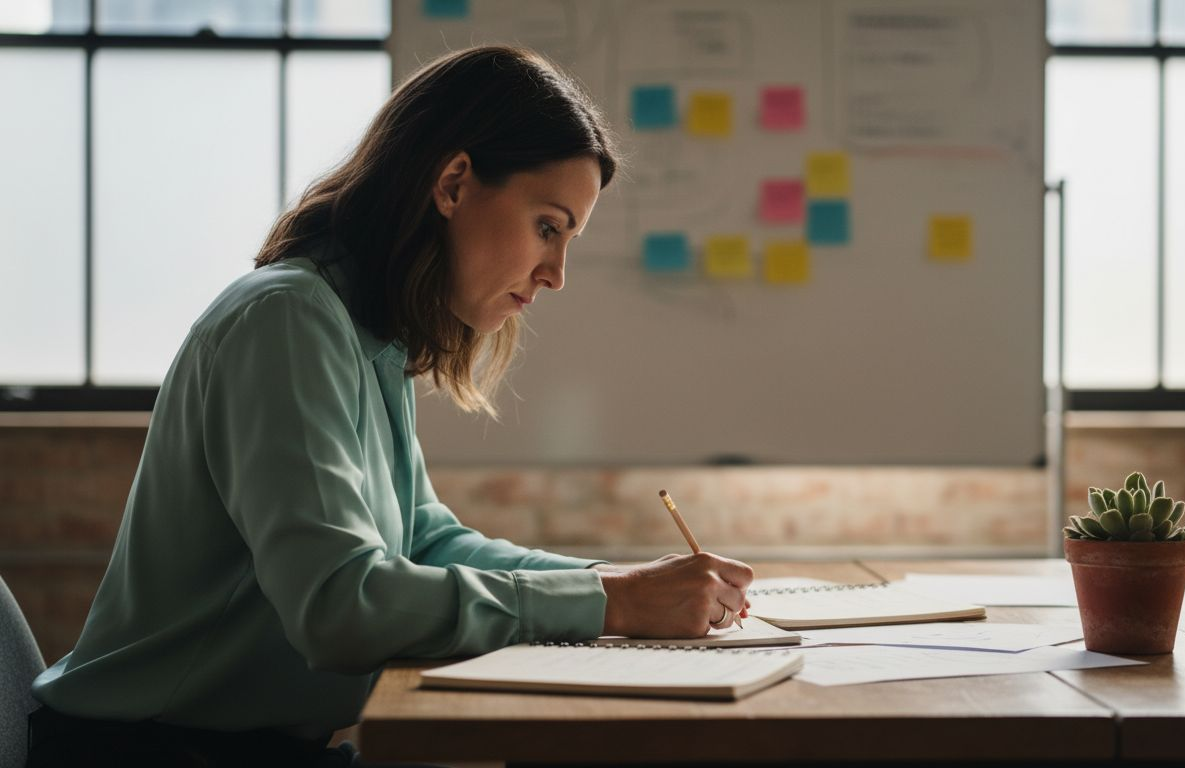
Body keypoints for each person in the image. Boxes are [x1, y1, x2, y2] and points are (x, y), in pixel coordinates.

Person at [27, 45, 753, 767]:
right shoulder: (285, 321)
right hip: (149, 753)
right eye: (547, 226)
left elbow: (424, 541)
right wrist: (612, 606)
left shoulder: (362, 329)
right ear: (453, 183)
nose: (556, 274)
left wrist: (609, 584)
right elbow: (341, 607)